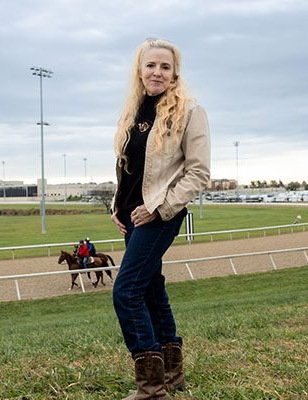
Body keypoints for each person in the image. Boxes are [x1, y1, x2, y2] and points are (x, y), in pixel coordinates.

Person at [110, 38, 210, 399]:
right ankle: (171, 375)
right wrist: (115, 205)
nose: (157, 72)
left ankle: (151, 388)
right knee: (151, 289)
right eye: (150, 65)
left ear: (175, 73)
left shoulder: (190, 111)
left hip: (161, 214)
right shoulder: (134, 111)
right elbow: (128, 168)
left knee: (126, 291)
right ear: (139, 71)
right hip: (131, 216)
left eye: (165, 67)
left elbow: (198, 174)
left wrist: (159, 208)